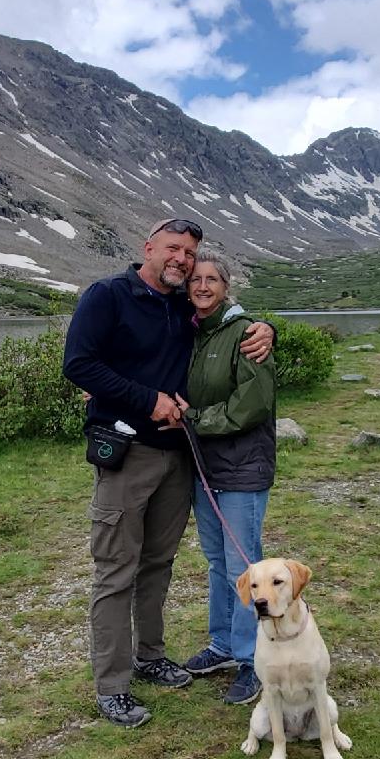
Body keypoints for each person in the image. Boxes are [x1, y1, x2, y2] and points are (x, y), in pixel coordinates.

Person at [62, 219, 273, 728]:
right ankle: (112, 686)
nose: (182, 259)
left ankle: (151, 656)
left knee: (158, 564)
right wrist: (146, 399)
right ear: (149, 247)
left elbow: (226, 319)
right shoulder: (108, 295)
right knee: (116, 570)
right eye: (174, 248)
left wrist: (268, 329)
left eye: (190, 252)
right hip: (126, 455)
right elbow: (79, 364)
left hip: (178, 458)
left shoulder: (182, 305)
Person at [176, 254, 276, 705]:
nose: (202, 286)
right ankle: (222, 645)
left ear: (226, 286)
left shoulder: (246, 333)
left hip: (241, 470)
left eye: (212, 279)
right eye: (195, 279)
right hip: (205, 468)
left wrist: (195, 419)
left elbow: (252, 404)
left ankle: (252, 659)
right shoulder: (194, 332)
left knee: (243, 568)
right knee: (218, 563)